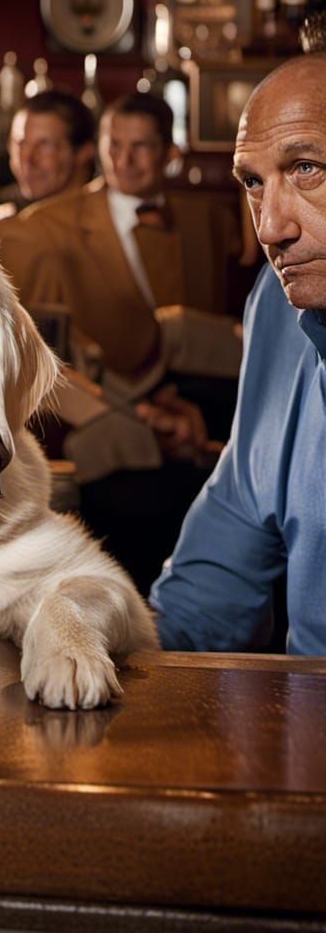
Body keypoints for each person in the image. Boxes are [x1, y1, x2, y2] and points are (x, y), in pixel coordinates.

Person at [150, 54, 326, 654]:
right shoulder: (278, 308)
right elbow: (207, 601)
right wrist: (73, 631)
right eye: (253, 182)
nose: (271, 228)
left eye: (307, 169)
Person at [0, 92, 242, 389]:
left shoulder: (208, 218)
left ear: (170, 153)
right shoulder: (41, 225)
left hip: (216, 390)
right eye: (114, 145)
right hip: (111, 394)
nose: (125, 160)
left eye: (141, 146)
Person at [0, 89, 96, 233]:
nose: (27, 160)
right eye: (20, 144)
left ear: (84, 153)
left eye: (45, 145)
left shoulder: (108, 223)